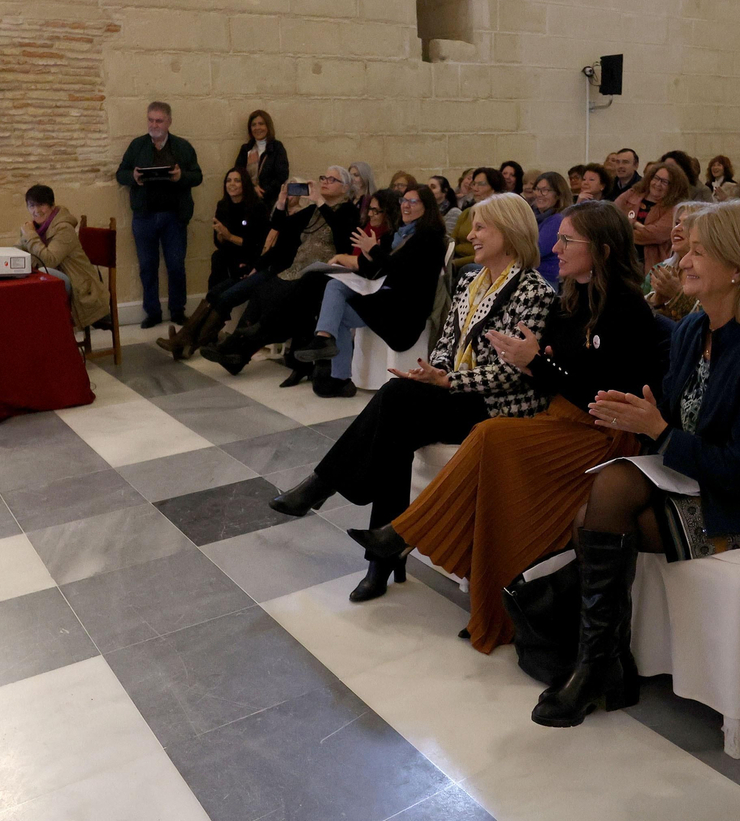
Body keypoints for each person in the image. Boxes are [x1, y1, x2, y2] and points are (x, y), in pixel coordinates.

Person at [346, 201, 669, 651]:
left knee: (491, 435)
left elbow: (599, 395)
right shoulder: (574, 295)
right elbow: (557, 370)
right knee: (446, 424)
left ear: (603, 249)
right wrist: (534, 360)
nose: (555, 246)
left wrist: (536, 362)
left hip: (601, 433)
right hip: (565, 419)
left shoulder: (626, 307)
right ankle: (437, 565)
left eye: (567, 240)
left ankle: (401, 534)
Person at [533, 199, 740, 727]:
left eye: (700, 252)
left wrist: (656, 430)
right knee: (599, 505)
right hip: (693, 477)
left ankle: (599, 666)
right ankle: (602, 664)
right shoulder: (693, 328)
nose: (683, 260)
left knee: (597, 512)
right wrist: (643, 416)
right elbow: (676, 415)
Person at [269, 193, 557, 601]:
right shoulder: (473, 279)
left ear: (509, 232)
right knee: (394, 427)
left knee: (396, 398)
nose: (470, 235)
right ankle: (380, 557)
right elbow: (445, 342)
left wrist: (448, 383)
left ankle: (326, 489)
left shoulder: (534, 291)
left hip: (495, 405)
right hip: (457, 394)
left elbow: (511, 373)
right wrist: (436, 370)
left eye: (480, 227)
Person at [196, 167, 358, 374]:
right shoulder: (312, 211)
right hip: (297, 268)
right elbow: (281, 225)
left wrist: (319, 201)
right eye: (323, 177)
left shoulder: (348, 210)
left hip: (321, 273)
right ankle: (235, 354)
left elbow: (342, 236)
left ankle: (237, 348)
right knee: (260, 292)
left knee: (274, 299)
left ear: (345, 188)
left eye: (332, 180)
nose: (325, 182)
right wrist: (281, 202)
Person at [293, 184, 447, 397]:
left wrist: (373, 250)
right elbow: (373, 270)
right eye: (404, 201)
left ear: (427, 207)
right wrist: (367, 255)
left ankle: (336, 371)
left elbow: (402, 272)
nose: (406, 206)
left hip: (405, 307)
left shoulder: (429, 238)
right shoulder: (397, 235)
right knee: (335, 287)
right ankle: (327, 346)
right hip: (385, 298)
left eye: (413, 202)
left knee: (337, 303)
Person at [157, 168, 267, 359]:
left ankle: (187, 341)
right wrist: (222, 237)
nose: (231, 184)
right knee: (215, 289)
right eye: (228, 180)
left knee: (219, 294)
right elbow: (219, 242)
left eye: (237, 181)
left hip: (250, 263)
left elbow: (257, 244)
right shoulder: (223, 205)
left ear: (245, 185)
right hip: (229, 260)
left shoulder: (257, 208)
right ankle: (189, 340)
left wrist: (230, 236)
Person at [117, 101, 203, 328]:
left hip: (174, 216)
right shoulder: (137, 146)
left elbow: (197, 176)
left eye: (159, 120)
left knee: (176, 265)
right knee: (147, 266)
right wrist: (133, 177)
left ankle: (177, 310)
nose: (154, 124)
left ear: (169, 122)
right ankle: (152, 312)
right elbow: (120, 173)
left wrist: (180, 177)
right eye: (151, 120)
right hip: (144, 216)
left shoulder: (182, 147)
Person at [17, 185, 108, 332]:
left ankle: (54, 336)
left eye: (41, 205)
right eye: (31, 206)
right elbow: (20, 251)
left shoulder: (64, 228)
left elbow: (49, 261)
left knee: (44, 274)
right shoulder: (35, 228)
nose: (36, 210)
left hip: (82, 289)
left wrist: (30, 236)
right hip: (65, 282)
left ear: (52, 205)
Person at [615, 160, 689, 270]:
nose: (658, 184)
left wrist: (629, 225)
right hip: (620, 257)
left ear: (674, 187)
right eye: (656, 178)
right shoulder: (632, 193)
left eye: (665, 182)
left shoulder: (674, 208)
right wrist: (637, 226)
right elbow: (611, 216)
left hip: (651, 265)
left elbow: (655, 235)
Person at [645, 203, 700, 322]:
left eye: (687, 224)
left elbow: (709, 323)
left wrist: (678, 296)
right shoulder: (659, 270)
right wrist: (657, 302)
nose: (677, 228)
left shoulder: (712, 275)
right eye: (676, 223)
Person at [451, 167, 506, 270]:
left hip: (481, 262)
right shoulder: (467, 212)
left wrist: (455, 263)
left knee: (467, 269)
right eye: (474, 184)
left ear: (494, 188)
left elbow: (490, 251)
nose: (475, 188)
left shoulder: (498, 215)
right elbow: (452, 241)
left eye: (481, 184)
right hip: (456, 261)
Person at [233, 109, 288, 201]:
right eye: (253, 125)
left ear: (268, 126)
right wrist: (252, 188)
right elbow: (238, 173)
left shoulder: (277, 147)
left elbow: (282, 175)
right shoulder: (246, 149)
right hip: (248, 199)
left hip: (270, 200)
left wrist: (263, 192)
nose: (257, 128)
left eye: (261, 124)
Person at [532, 171, 574, 284]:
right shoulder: (536, 217)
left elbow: (535, 251)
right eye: (537, 189)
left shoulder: (557, 220)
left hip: (545, 281)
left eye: (545, 190)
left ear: (558, 194)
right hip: (534, 276)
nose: (539, 194)